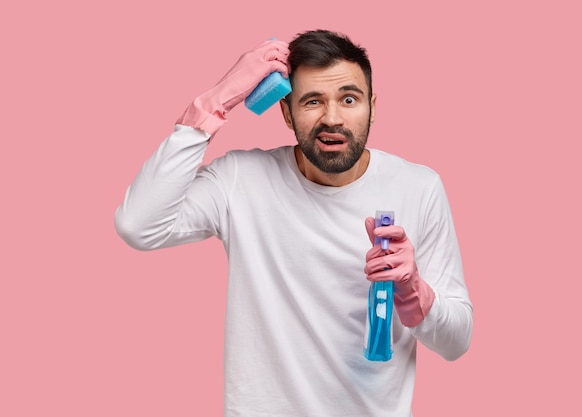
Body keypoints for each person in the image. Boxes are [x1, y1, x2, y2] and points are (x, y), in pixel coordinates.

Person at [115, 29, 473, 417]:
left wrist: (413, 291)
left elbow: (456, 342)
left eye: (349, 99)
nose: (331, 118)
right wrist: (215, 100)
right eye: (312, 101)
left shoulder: (419, 187)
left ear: (372, 106)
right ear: (286, 112)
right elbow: (139, 225)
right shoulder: (241, 179)